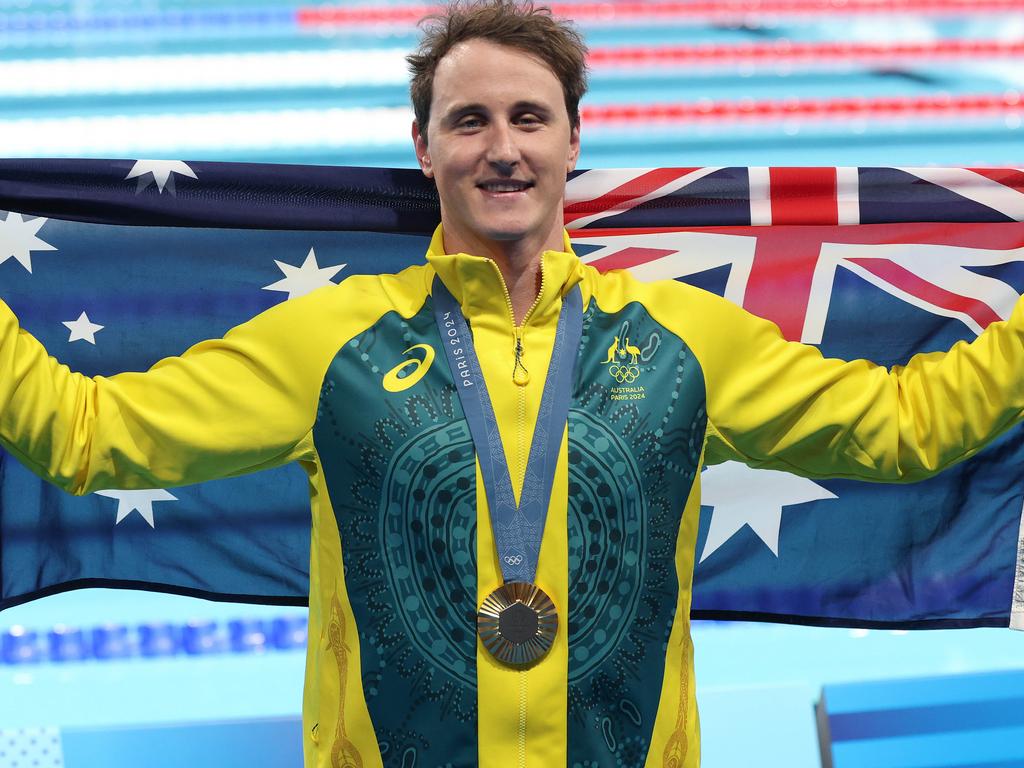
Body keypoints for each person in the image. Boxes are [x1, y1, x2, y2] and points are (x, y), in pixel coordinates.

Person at [1, 2, 1022, 766]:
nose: (501, 149)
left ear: (572, 141)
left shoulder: (683, 340)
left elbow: (904, 428)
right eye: (468, 120)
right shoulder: (331, 341)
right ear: (423, 146)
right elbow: (92, 436)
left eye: (528, 118)